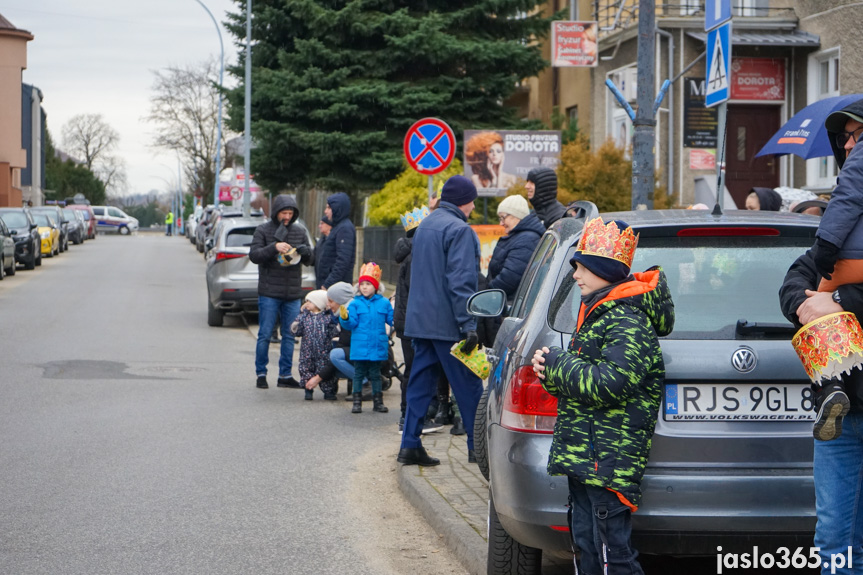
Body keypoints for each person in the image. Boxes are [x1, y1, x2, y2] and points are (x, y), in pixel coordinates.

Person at [531, 217, 674, 575]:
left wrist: (559, 363)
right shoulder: (600, 312)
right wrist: (549, 371)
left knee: (612, 552)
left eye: (582, 267)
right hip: (589, 457)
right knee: (589, 543)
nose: (576, 275)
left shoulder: (625, 318)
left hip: (606, 460)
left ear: (605, 270)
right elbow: (584, 380)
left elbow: (611, 383)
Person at [398, 175, 484, 466]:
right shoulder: (460, 230)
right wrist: (468, 325)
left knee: (420, 385)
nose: (473, 207)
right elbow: (461, 282)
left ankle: (409, 444)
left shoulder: (426, 226)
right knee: (469, 385)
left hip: (420, 322)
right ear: (465, 200)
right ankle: (478, 449)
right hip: (447, 325)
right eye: (472, 200)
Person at [248, 194, 312, 389]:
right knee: (265, 334)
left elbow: (310, 260)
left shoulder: (300, 231)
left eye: (290, 213)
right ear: (276, 213)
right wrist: (274, 247)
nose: (287, 216)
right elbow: (254, 255)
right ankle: (261, 373)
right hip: (269, 292)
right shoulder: (263, 230)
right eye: (284, 212)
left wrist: (305, 251)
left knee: (290, 335)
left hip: (292, 292)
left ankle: (285, 375)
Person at [339, 262, 393, 414]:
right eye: (362, 284)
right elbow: (351, 324)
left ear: (375, 286)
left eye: (368, 284)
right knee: (358, 374)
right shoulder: (355, 304)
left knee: (376, 374)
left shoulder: (384, 303)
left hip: (377, 345)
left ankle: (378, 401)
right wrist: (345, 318)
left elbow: (391, 319)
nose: (364, 287)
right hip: (360, 346)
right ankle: (357, 401)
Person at [304, 282, 355, 396]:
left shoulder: (348, 317)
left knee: (335, 356)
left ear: (341, 301)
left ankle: (365, 382)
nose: (328, 304)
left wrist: (318, 378)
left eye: (331, 301)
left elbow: (342, 348)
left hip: (368, 355)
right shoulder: (346, 312)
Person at [489, 194, 545, 299]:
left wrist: (488, 293)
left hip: (511, 304)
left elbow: (509, 279)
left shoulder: (527, 240)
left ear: (516, 216)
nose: (501, 223)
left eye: (503, 218)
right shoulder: (521, 237)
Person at [291, 290, 340, 400]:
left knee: (324, 370)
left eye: (310, 301)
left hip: (323, 350)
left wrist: (337, 328)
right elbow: (298, 332)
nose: (307, 303)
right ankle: (308, 389)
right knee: (306, 368)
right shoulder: (304, 317)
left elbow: (333, 333)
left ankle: (329, 391)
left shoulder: (327, 318)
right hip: (307, 350)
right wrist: (295, 327)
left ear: (319, 303)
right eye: (306, 301)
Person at [318, 193, 356, 289]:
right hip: (332, 285)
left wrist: (328, 284)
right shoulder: (338, 227)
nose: (325, 211)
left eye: (329, 208)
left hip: (336, 288)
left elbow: (343, 261)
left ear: (337, 209)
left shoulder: (344, 228)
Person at [314, 215, 333, 288]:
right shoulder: (320, 242)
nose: (319, 226)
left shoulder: (334, 241)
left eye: (322, 223)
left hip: (330, 284)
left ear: (329, 225)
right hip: (319, 283)